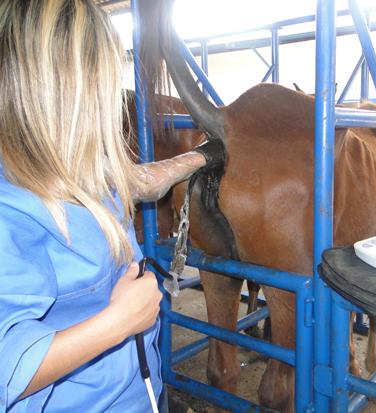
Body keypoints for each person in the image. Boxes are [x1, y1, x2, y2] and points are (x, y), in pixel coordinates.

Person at [0, 1, 223, 411]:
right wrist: (120, 322)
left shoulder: (70, 165)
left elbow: (140, 182)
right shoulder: (9, 208)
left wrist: (205, 156)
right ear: (68, 88)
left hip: (135, 390)